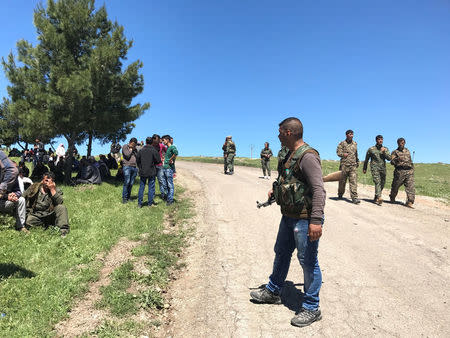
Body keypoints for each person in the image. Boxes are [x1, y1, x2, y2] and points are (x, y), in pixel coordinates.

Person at [250, 117, 325, 328]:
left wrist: (316, 220)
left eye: (280, 132)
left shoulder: (308, 156)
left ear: (289, 133)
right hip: (289, 216)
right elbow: (289, 181)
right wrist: (276, 191)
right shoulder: (289, 155)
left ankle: (312, 307)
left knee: (308, 261)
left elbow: (319, 190)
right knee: (281, 252)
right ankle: (273, 291)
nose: (278, 135)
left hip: (305, 219)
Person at [23, 172, 69, 237]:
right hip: (37, 215)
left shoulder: (56, 190)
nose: (48, 183)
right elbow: (23, 197)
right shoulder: (34, 188)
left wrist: (52, 190)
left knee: (61, 208)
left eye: (51, 181)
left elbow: (60, 202)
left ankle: (63, 231)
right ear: (42, 181)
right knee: (29, 221)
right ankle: (45, 226)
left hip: (50, 214)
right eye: (46, 180)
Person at [0, 151, 27, 232]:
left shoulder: (12, 177)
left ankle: (21, 226)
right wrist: (6, 196)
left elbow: (18, 191)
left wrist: (14, 195)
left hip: (5, 203)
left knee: (21, 200)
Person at [363, 135, 391, 205]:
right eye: (379, 139)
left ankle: (376, 196)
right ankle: (379, 197)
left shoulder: (385, 149)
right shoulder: (371, 149)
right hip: (374, 168)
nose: (380, 140)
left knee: (382, 183)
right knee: (377, 181)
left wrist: (384, 152)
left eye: (381, 139)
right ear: (376, 140)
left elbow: (389, 158)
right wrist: (365, 168)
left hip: (383, 168)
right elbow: (366, 159)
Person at [389, 138, 415, 208]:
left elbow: (410, 160)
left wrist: (412, 168)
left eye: (403, 143)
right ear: (397, 143)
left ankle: (410, 201)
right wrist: (397, 159)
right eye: (400, 143)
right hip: (400, 171)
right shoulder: (395, 152)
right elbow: (392, 162)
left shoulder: (407, 151)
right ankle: (392, 197)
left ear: (404, 143)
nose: (401, 144)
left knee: (410, 186)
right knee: (395, 186)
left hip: (409, 171)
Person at [336, 129, 360, 204]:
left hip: (353, 166)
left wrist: (357, 161)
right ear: (346, 135)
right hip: (344, 165)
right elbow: (338, 152)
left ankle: (354, 198)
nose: (351, 135)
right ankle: (340, 194)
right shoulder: (342, 143)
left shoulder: (355, 144)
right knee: (342, 182)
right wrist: (343, 154)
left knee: (353, 182)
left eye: (352, 134)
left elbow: (356, 153)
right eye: (350, 134)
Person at [136, 137, 162, 207]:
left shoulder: (141, 150)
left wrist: (140, 167)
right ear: (152, 142)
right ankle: (150, 203)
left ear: (146, 142)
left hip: (143, 171)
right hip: (151, 171)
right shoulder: (153, 150)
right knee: (151, 187)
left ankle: (139, 203)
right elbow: (159, 161)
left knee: (142, 187)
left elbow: (137, 160)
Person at [161, 135, 178, 205]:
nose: (163, 142)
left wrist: (171, 159)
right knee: (165, 185)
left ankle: (170, 200)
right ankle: (168, 198)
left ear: (167, 140)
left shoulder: (172, 147)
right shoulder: (168, 148)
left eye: (164, 140)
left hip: (169, 169)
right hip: (165, 168)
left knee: (170, 185)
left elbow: (176, 153)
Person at [122, 137, 138, 203]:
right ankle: (124, 198)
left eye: (135, 145)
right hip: (127, 166)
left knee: (131, 183)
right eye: (133, 144)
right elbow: (127, 155)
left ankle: (128, 197)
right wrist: (131, 149)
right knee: (127, 182)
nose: (134, 146)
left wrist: (134, 150)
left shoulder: (135, 149)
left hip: (134, 167)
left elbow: (137, 156)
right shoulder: (125, 146)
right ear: (130, 142)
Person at [152, 134, 166, 200]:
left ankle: (163, 195)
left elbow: (167, 151)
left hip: (160, 166)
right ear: (153, 139)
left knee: (161, 180)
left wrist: (165, 158)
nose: (158, 141)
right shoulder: (151, 146)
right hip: (152, 166)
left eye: (158, 139)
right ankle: (152, 195)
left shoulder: (161, 146)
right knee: (152, 181)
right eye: (157, 139)